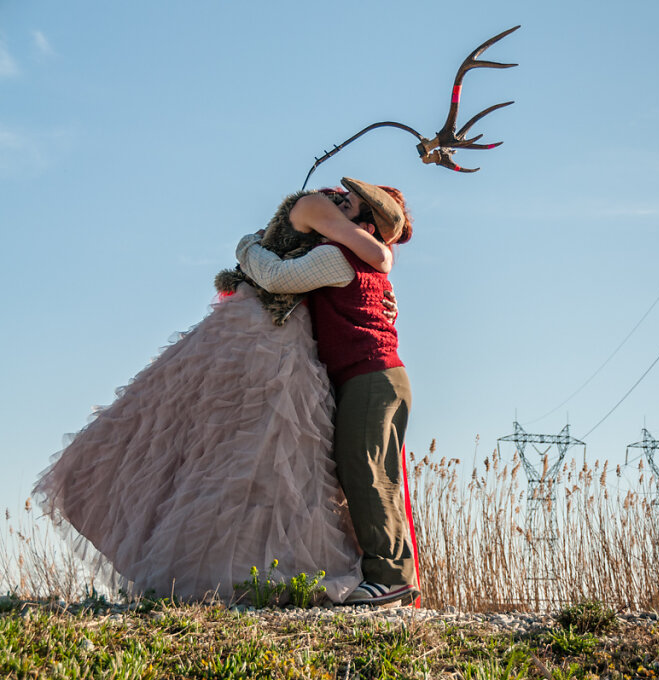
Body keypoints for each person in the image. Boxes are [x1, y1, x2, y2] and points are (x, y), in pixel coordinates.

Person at [32, 187, 397, 604]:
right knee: (215, 442)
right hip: (258, 337)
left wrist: (381, 291)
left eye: (354, 203)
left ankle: (248, 572)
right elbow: (293, 273)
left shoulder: (341, 243)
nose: (344, 200)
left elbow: (368, 265)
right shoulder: (319, 208)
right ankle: (205, 572)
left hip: (285, 343)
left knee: (261, 460)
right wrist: (249, 246)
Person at [235, 177, 418, 606]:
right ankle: (393, 575)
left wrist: (247, 246)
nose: (338, 205)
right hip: (380, 375)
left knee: (365, 470)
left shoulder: (338, 257)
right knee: (376, 475)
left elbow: (277, 278)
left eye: (348, 205)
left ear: (364, 224)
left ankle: (390, 576)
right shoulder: (359, 260)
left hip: (370, 377)